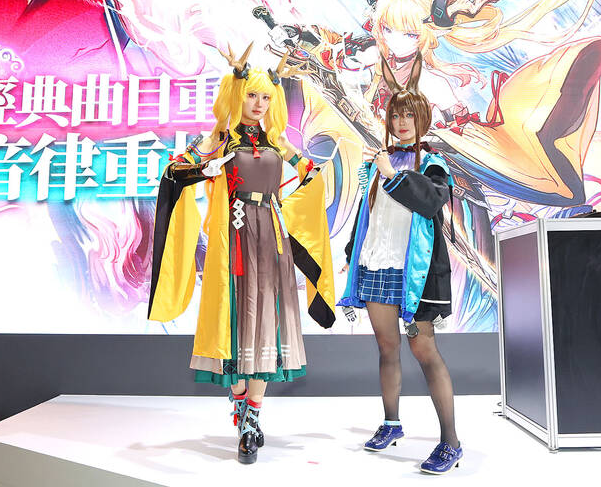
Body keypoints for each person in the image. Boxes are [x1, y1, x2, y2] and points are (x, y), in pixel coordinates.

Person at [148, 45, 335, 465]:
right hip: (233, 238)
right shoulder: (221, 138)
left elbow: (311, 176)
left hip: (271, 236)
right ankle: (240, 407)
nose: (259, 104)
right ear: (237, 94)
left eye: (266, 97)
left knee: (267, 323)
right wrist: (205, 168)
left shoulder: (277, 141)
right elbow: (174, 171)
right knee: (234, 323)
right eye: (252, 95)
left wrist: (296, 197)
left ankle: (251, 419)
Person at [338, 52, 461, 474]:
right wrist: (352, 255)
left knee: (423, 348)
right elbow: (369, 217)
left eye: (409, 115)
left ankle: (451, 442)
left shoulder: (433, 164)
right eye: (395, 115)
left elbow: (431, 202)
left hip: (414, 276)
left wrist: (392, 173)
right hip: (376, 266)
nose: (401, 122)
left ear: (422, 118)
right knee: (387, 347)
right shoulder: (379, 162)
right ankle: (391, 423)